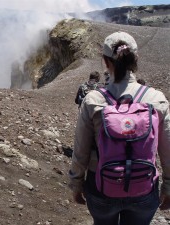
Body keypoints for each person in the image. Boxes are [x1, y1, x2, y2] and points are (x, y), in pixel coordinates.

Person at [69, 31, 170, 225]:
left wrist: (76, 183)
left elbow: (80, 149)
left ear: (106, 62)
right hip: (144, 187)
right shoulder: (156, 98)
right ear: (136, 59)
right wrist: (168, 187)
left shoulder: (94, 100)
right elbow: (167, 150)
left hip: (101, 188)